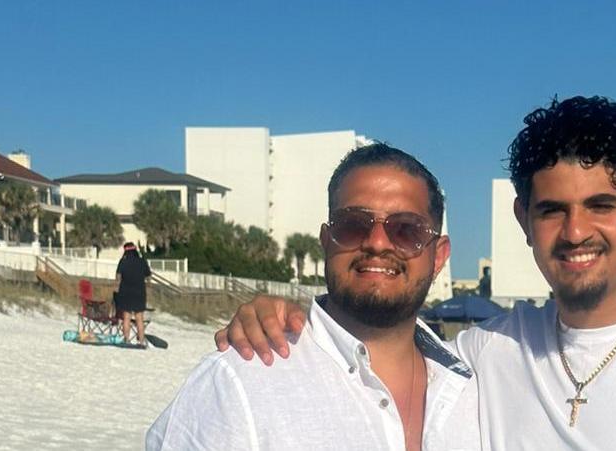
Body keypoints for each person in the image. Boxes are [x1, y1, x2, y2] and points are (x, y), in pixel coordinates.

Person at [215, 96, 616, 449]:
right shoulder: (485, 354)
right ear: (524, 220)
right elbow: (381, 340)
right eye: (552, 210)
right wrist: (283, 316)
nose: (575, 232)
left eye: (599, 205)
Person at [146, 144, 479, 450]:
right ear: (326, 240)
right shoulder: (239, 382)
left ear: (438, 256)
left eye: (406, 230)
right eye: (353, 225)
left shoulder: (476, 391)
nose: (377, 243)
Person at [115, 242, 152, 345]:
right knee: (139, 318)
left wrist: (119, 284)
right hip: (139, 293)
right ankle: (141, 341)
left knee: (126, 317)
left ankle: (126, 340)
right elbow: (148, 277)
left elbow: (118, 277)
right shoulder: (142, 261)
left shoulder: (123, 261)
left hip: (126, 292)